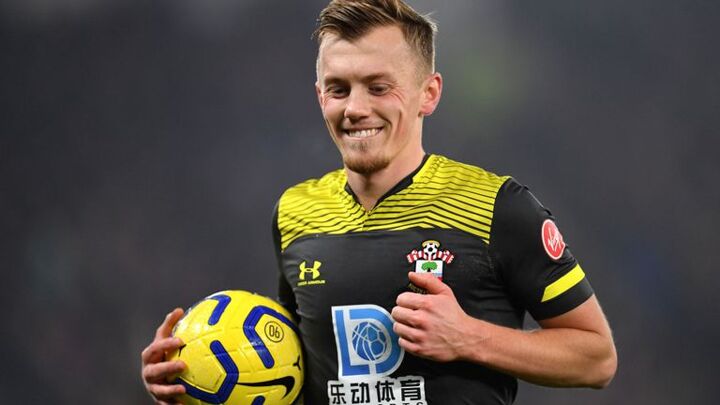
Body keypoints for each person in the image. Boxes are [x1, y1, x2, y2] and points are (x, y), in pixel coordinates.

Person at [141, 1, 617, 404]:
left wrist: (470, 338)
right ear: (319, 96)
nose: (355, 108)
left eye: (379, 87)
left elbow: (596, 358)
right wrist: (194, 378)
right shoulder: (294, 213)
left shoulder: (496, 207)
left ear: (428, 93)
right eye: (338, 89)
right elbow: (296, 371)